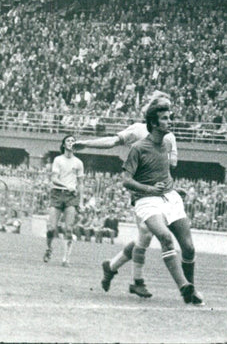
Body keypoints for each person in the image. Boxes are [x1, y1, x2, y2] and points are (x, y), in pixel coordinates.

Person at [75, 91, 178, 299]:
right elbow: (113, 141)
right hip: (141, 189)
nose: (168, 115)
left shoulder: (169, 136)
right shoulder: (138, 130)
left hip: (159, 191)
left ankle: (111, 267)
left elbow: (173, 163)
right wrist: (87, 143)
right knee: (146, 234)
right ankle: (137, 282)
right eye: (162, 107)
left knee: (143, 236)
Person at [121, 96, 204, 305]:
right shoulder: (138, 148)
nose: (170, 121)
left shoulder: (167, 143)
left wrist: (173, 189)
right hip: (147, 201)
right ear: (154, 123)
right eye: (165, 119)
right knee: (166, 238)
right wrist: (149, 188)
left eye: (170, 118)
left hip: (170, 198)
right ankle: (183, 286)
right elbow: (126, 180)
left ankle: (190, 289)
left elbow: (160, 173)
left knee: (189, 248)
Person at [44, 135, 84, 266]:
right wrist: (67, 186)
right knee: (51, 228)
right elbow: (54, 179)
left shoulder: (78, 162)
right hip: (57, 193)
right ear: (63, 144)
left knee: (68, 228)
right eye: (68, 140)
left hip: (71, 197)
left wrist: (81, 201)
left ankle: (66, 259)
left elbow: (81, 183)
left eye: (73, 141)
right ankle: (49, 248)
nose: (71, 142)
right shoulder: (58, 160)